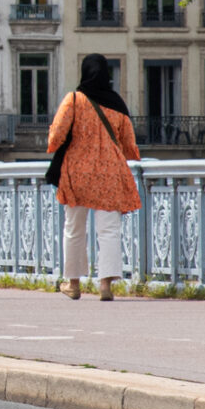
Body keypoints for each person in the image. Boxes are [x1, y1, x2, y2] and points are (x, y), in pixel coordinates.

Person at [48, 52, 140, 301]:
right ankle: (105, 286)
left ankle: (74, 283)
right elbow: (130, 145)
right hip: (110, 174)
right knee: (109, 230)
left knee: (74, 229)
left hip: (77, 173)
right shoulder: (117, 104)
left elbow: (55, 137)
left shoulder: (74, 100)